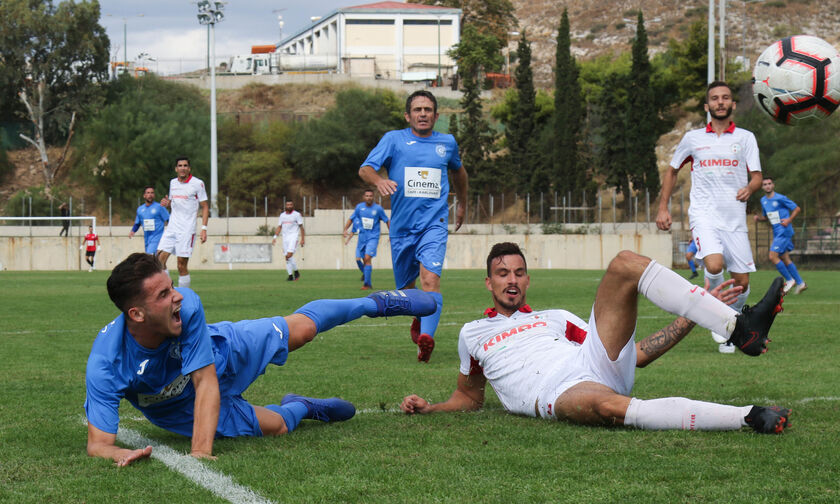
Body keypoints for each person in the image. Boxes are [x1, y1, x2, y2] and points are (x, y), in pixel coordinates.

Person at [400, 242, 791, 435]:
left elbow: (632, 356)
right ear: (489, 282)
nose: (512, 280)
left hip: (591, 362)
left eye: (519, 272)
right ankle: (749, 416)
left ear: (527, 279)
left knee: (624, 263)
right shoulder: (473, 333)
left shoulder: (555, 319)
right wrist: (431, 408)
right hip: (552, 392)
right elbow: (469, 397)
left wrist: (691, 318)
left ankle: (740, 328)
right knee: (607, 406)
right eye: (503, 273)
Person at [85, 253, 436, 467]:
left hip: (221, 351)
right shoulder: (106, 363)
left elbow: (204, 380)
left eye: (171, 285)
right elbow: (99, 444)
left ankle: (376, 304)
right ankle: (304, 407)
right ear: (137, 313)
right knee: (280, 427)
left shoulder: (186, 306)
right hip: (180, 410)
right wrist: (117, 454)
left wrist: (200, 452)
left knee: (300, 330)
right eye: (164, 294)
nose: (178, 295)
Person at [359, 90, 469, 362]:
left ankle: (427, 340)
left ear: (436, 115)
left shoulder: (447, 143)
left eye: (428, 109)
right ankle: (419, 322)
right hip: (402, 228)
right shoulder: (393, 140)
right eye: (418, 109)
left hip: (434, 224)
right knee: (408, 291)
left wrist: (463, 203)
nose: (423, 114)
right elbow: (365, 169)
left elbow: (459, 172)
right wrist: (378, 181)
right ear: (408, 115)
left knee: (430, 281)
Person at [656, 81, 762, 354]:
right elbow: (671, 170)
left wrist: (749, 188)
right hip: (704, 215)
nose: (720, 102)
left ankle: (732, 321)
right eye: (715, 98)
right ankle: (720, 323)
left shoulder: (746, 138)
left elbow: (757, 177)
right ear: (707, 106)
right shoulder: (693, 139)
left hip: (735, 220)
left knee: (742, 283)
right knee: (714, 266)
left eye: (725, 98)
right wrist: (662, 208)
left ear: (733, 104)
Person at [158, 157, 209, 289]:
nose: (183, 168)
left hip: (187, 229)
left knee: (181, 265)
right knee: (158, 261)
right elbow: (173, 203)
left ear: (189, 168)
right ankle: (170, 291)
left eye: (185, 165)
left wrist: (204, 228)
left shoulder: (198, 184)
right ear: (176, 169)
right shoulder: (173, 183)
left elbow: (205, 206)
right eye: (180, 165)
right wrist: (167, 203)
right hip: (172, 227)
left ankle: (185, 298)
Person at [755, 176, 806, 295]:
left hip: (784, 230)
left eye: (769, 183)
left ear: (773, 185)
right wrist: (759, 218)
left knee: (772, 256)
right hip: (777, 231)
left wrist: (788, 220)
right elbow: (766, 217)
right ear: (762, 187)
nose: (767, 186)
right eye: (765, 184)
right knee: (785, 258)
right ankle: (800, 282)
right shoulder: (763, 200)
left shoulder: (780, 198)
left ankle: (789, 280)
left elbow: (797, 209)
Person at [342, 189, 390, 290]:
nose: (369, 197)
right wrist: (345, 229)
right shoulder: (359, 207)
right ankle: (367, 279)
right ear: (364, 197)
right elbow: (351, 218)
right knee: (362, 259)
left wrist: (391, 234)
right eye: (367, 196)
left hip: (373, 237)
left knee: (367, 258)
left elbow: (387, 220)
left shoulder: (378, 209)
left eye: (371, 196)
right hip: (362, 237)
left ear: (373, 197)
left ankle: (366, 284)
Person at [129, 186, 170, 255]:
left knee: (149, 257)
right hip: (147, 239)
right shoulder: (140, 209)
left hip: (158, 238)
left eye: (152, 193)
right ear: (144, 195)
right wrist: (133, 231)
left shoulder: (159, 207)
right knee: (155, 262)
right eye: (148, 193)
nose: (150, 195)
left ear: (154, 195)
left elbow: (169, 220)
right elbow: (138, 223)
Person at [272, 200, 305, 281]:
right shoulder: (282, 215)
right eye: (288, 205)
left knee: (289, 255)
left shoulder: (297, 215)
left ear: (293, 206)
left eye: (291, 204)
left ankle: (296, 271)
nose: (289, 206)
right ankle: (290, 276)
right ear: (285, 206)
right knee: (287, 258)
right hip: (285, 238)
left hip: (293, 238)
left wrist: (303, 239)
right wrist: (275, 237)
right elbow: (279, 226)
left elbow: (301, 227)